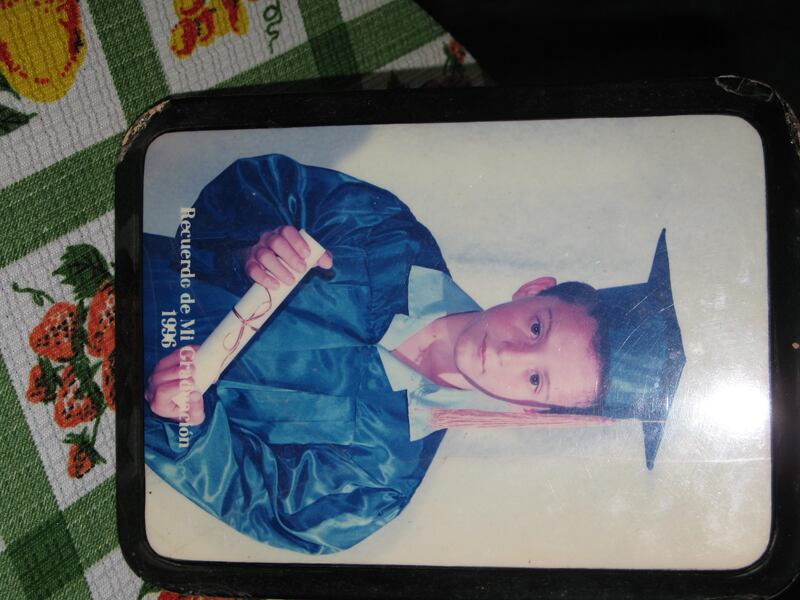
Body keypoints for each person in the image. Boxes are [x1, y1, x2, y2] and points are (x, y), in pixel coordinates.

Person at [142, 154, 684, 555]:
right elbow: (247, 189)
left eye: (536, 379)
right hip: (129, 270)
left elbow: (256, 499)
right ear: (533, 289)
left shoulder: (380, 479)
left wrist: (191, 427)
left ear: (533, 408)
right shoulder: (383, 233)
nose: (509, 355)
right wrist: (248, 249)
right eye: (536, 327)